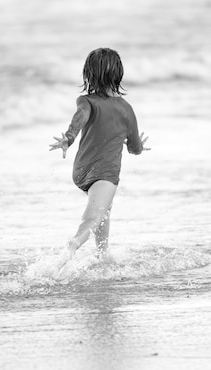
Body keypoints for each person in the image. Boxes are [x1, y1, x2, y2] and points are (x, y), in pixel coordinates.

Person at [49, 48, 149, 268]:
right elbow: (134, 149)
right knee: (93, 218)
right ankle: (71, 247)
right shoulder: (126, 110)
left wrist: (69, 138)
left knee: (104, 211)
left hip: (82, 170)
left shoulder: (86, 100)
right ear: (118, 74)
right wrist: (140, 146)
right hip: (105, 174)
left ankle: (103, 256)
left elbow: (80, 117)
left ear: (89, 74)